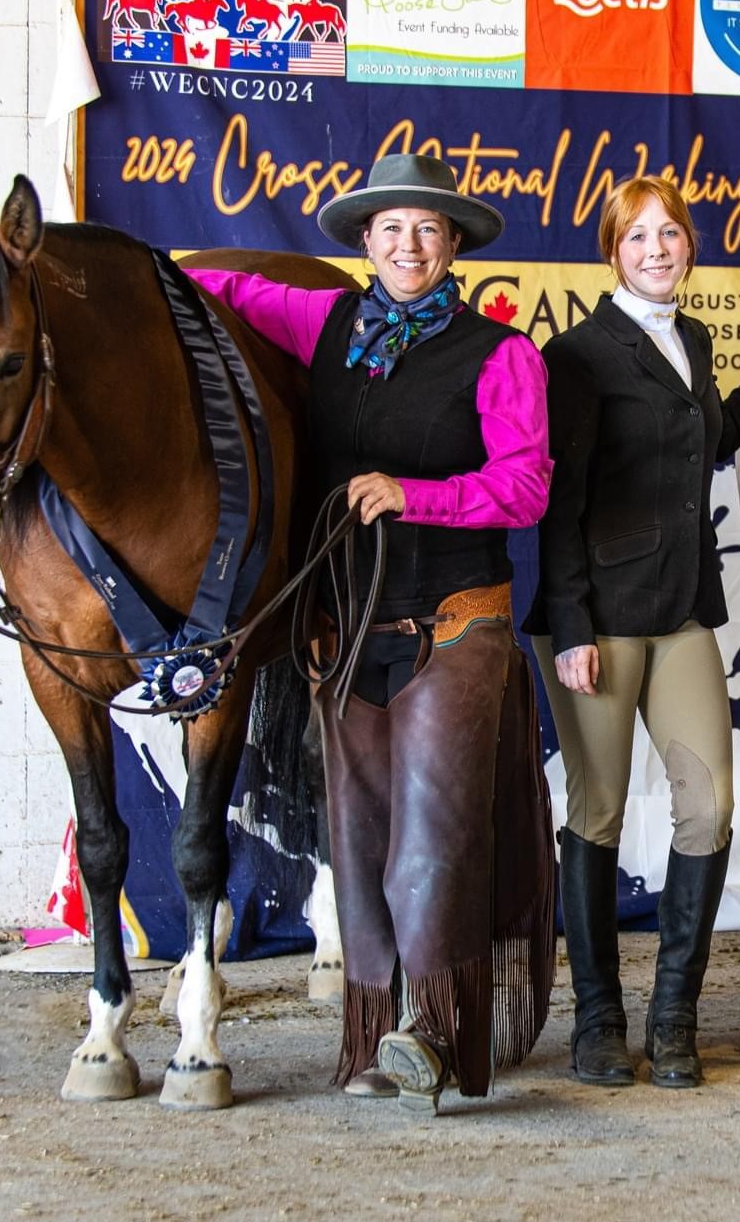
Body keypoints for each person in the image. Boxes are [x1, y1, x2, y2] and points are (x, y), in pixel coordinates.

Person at [186, 153, 554, 1114]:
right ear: (365, 242)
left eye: (428, 230)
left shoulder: (501, 354)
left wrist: (412, 494)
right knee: (357, 841)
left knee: (428, 840)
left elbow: (525, 485)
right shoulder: (329, 322)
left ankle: (430, 1029)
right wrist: (150, 278)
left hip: (455, 621)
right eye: (393, 228)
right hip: (347, 629)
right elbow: (227, 289)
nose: (409, 245)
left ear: (454, 246)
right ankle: (377, 1022)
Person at [526, 176, 740, 1089]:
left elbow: (716, 434)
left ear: (689, 245)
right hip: (597, 621)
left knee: (712, 808)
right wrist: (569, 623)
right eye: (638, 236)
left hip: (684, 608)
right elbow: (557, 505)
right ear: (612, 251)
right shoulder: (575, 354)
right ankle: (599, 1020)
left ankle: (676, 1013)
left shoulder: (690, 337)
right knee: (599, 811)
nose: (658, 249)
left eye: (671, 234)